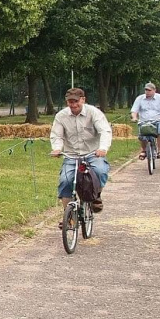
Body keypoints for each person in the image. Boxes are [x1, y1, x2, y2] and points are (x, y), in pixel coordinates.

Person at [50, 88, 112, 222]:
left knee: (100, 171)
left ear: (83, 100)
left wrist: (102, 148)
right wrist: (57, 149)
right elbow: (57, 136)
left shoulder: (94, 113)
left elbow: (105, 131)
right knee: (65, 181)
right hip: (72, 155)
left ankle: (96, 195)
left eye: (76, 101)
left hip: (92, 153)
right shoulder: (61, 116)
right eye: (70, 102)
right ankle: (69, 216)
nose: (73, 105)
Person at [130, 82, 160, 159]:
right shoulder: (139, 98)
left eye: (149, 90)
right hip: (144, 121)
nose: (147, 92)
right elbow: (134, 110)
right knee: (142, 135)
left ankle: (159, 151)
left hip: (158, 120)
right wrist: (134, 117)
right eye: (146, 90)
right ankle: (144, 151)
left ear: (154, 90)